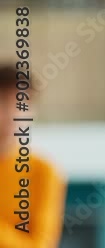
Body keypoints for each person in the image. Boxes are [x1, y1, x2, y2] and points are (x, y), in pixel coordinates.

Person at [0, 64, 65, 247]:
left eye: (22, 104)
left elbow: (41, 245)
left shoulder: (43, 172)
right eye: (4, 102)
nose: (14, 113)